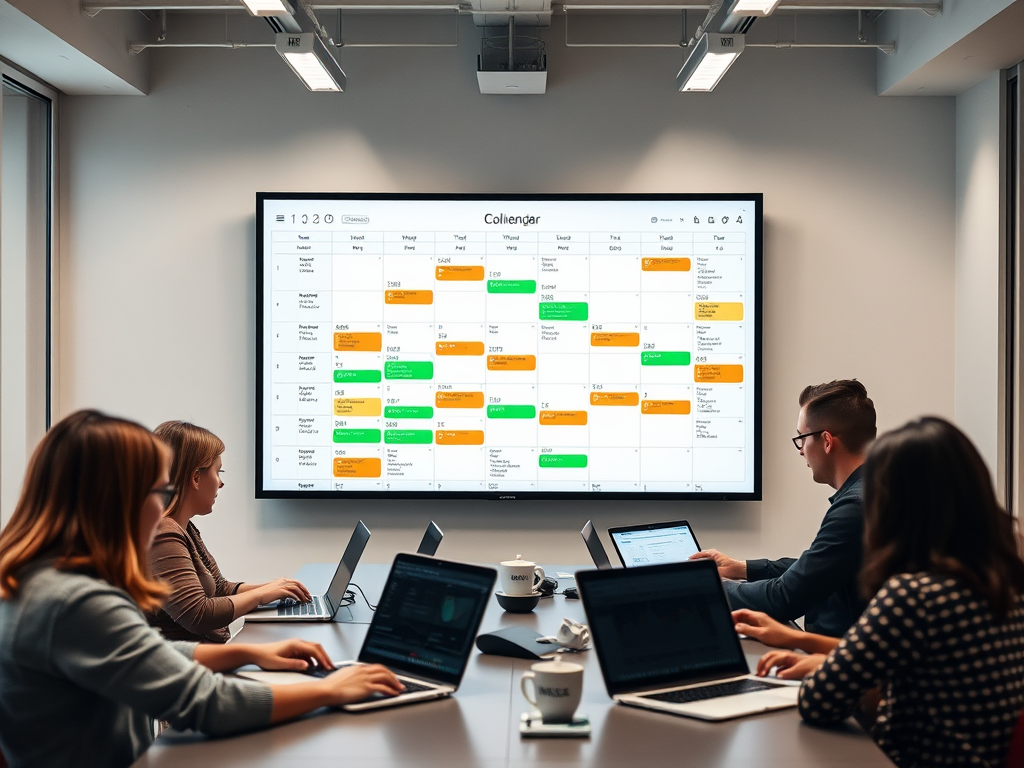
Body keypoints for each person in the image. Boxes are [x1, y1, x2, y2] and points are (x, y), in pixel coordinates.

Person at [0, 410, 403, 768]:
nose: (162, 510)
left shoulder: (39, 581)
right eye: (158, 494)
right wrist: (330, 691)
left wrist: (250, 652)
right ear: (116, 500)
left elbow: (139, 651)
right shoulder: (75, 602)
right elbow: (208, 704)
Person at [741, 417, 1024, 768]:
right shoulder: (1005, 579)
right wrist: (816, 650)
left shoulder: (915, 595)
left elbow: (820, 702)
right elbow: (928, 668)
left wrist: (833, 671)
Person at [690, 379, 875, 636]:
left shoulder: (854, 509)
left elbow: (784, 598)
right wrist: (740, 568)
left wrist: (699, 585)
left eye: (801, 438)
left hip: (840, 664)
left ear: (826, 441)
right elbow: (817, 569)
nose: (801, 451)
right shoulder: (876, 490)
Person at [148, 421, 311, 642]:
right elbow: (199, 615)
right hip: (187, 668)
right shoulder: (163, 533)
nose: (221, 483)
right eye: (218, 472)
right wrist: (261, 596)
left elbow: (219, 588)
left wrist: (277, 588)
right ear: (196, 477)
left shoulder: (184, 527)